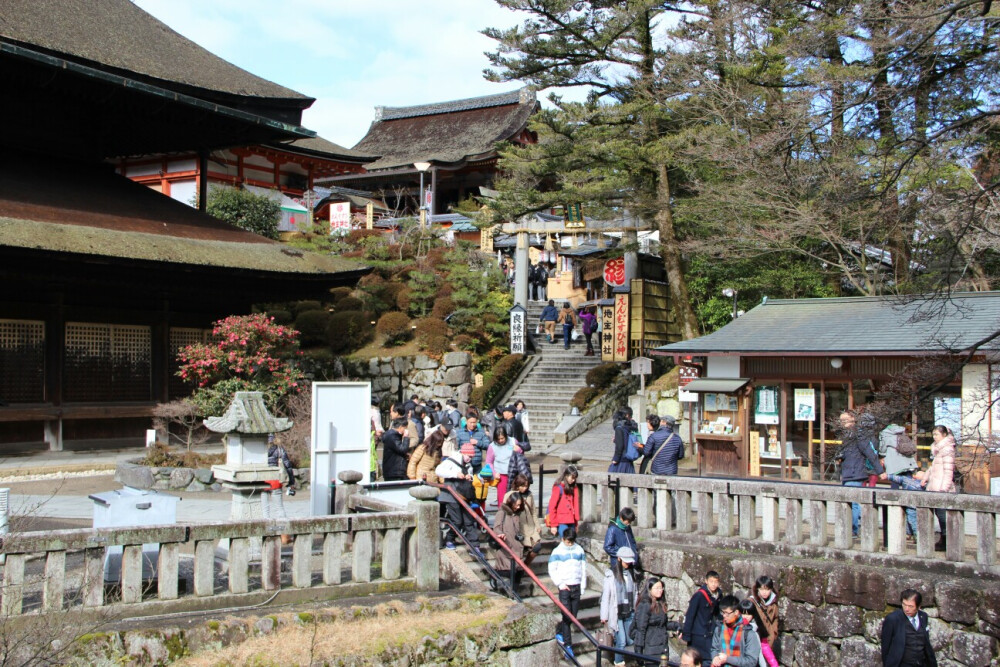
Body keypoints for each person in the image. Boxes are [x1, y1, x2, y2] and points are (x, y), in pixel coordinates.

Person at [835, 411, 883, 536]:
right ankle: (850, 529)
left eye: (845, 420)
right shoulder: (848, 435)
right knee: (849, 502)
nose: (843, 422)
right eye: (841, 420)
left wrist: (880, 471)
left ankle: (852, 530)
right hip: (848, 472)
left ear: (853, 419)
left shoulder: (859, 434)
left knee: (853, 503)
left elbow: (870, 453)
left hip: (856, 472)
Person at [549, 526, 587, 660]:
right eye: (567, 541)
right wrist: (560, 583)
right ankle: (568, 645)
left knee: (573, 616)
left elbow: (583, 568)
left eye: (571, 542)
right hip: (564, 587)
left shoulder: (579, 550)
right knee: (567, 616)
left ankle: (560, 632)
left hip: (576, 586)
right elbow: (552, 569)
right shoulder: (557, 551)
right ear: (563, 539)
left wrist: (582, 586)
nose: (569, 544)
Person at [600, 545, 638, 667]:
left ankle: (618, 654)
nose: (628, 564)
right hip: (616, 613)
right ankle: (618, 662)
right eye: (626, 561)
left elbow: (636, 594)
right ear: (619, 559)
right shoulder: (611, 576)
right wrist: (604, 615)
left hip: (629, 611)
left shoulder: (632, 574)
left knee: (630, 639)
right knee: (621, 641)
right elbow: (606, 597)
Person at [435, 443, 478, 551]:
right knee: (457, 520)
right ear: (463, 453)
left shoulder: (468, 465)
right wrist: (455, 474)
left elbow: (471, 474)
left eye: (472, 457)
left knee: (469, 519)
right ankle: (450, 539)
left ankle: (475, 544)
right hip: (451, 495)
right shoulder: (451, 461)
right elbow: (439, 471)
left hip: (463, 496)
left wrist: (469, 477)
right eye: (469, 456)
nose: (470, 458)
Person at [880, 589, 937, 667]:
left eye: (910, 606)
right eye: (904, 604)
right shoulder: (892, 619)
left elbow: (926, 643)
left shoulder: (923, 617)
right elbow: (885, 647)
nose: (906, 609)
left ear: (919, 607)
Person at [923, 425, 957, 551]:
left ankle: (948, 541)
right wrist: (926, 477)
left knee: (943, 516)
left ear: (943, 435)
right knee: (939, 513)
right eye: (933, 434)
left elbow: (949, 472)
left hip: (942, 487)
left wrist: (944, 488)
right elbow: (934, 468)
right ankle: (944, 540)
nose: (934, 437)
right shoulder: (938, 450)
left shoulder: (947, 449)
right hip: (935, 484)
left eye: (936, 434)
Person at [682, 570, 722, 664]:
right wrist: (687, 635)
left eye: (716, 582)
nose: (713, 584)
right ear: (706, 581)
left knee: (708, 660)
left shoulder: (719, 595)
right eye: (711, 581)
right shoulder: (699, 595)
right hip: (698, 634)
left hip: (711, 633)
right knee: (697, 660)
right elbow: (690, 615)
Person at [710, 595, 761, 667]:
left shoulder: (749, 633)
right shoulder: (719, 629)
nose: (724, 616)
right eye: (722, 612)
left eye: (727, 613)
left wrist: (728, 659)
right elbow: (714, 649)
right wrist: (715, 657)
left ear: (736, 612)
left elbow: (751, 661)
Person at [492, 491, 525, 594]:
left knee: (518, 571)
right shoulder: (502, 512)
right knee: (507, 570)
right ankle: (495, 579)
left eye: (520, 505)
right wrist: (500, 534)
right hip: (505, 546)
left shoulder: (516, 514)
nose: (518, 507)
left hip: (516, 547)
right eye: (517, 505)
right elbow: (496, 527)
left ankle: (514, 595)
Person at [507, 474, 542, 564]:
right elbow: (506, 511)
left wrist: (537, 525)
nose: (525, 488)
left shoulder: (529, 495)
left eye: (526, 486)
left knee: (537, 546)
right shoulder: (511, 495)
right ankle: (519, 570)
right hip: (519, 527)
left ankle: (525, 565)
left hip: (530, 526)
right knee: (519, 550)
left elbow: (533, 511)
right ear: (517, 485)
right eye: (522, 486)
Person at [634, 577, 671, 663]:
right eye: (657, 588)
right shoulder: (645, 605)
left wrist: (677, 626)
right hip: (651, 648)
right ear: (649, 589)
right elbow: (640, 629)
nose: (660, 590)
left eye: (661, 588)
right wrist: (638, 651)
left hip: (663, 647)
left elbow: (663, 624)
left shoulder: (660, 604)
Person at [485, 428, 524, 506]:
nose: (500, 440)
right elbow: (489, 462)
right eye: (498, 439)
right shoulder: (492, 446)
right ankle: (502, 513)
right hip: (501, 475)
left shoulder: (513, 441)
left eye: (502, 438)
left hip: (514, 473)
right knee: (502, 497)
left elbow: (521, 454)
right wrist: (494, 473)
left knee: (515, 496)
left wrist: (519, 450)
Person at [749, 576, 780, 667]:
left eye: (767, 589)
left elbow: (775, 619)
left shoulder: (773, 603)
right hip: (755, 638)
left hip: (768, 640)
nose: (764, 592)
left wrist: (774, 634)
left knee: (767, 662)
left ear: (771, 589)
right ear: (757, 589)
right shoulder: (752, 601)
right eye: (762, 589)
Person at [887, 469, 926, 539]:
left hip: (910, 504)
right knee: (914, 520)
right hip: (919, 505)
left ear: (914, 477)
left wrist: (887, 476)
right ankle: (912, 534)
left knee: (911, 520)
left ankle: (915, 535)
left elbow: (897, 478)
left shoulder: (908, 481)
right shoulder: (924, 486)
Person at [546, 465, 581, 537]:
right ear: (566, 476)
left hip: (571, 520)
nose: (573, 480)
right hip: (561, 521)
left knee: (571, 541)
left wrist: (576, 523)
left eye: (575, 478)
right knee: (565, 540)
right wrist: (553, 525)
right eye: (572, 478)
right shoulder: (558, 488)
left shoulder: (574, 488)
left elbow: (575, 506)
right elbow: (552, 507)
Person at [609, 407, 640, 475]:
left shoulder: (619, 427)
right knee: (631, 482)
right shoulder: (629, 426)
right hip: (629, 459)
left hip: (621, 459)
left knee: (612, 480)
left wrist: (616, 459)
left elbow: (620, 446)